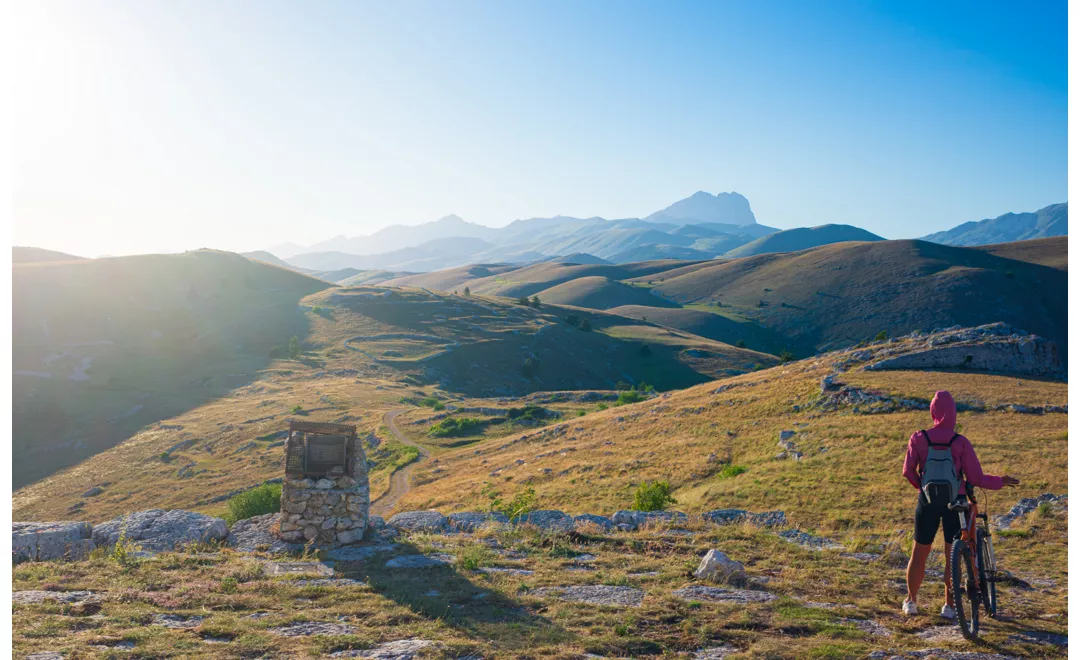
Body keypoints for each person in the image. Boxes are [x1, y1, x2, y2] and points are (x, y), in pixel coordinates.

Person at [901, 390, 1019, 618]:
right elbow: (975, 478)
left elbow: (908, 471)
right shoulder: (960, 442)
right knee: (951, 554)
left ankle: (911, 601)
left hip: (927, 502)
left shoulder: (919, 438)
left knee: (919, 553)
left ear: (933, 411)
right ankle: (949, 606)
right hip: (956, 503)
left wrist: (923, 488)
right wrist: (1000, 482)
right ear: (953, 413)